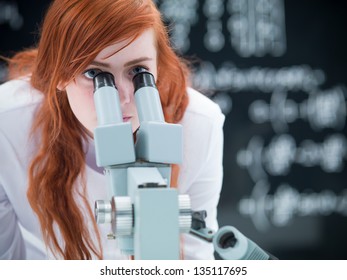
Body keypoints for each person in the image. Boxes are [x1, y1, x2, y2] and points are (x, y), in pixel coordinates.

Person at [0, 0, 224, 260]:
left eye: (138, 71)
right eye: (95, 74)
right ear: (58, 73)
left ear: (158, 67)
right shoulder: (8, 125)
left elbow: (195, 260)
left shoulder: (199, 124)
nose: (122, 97)